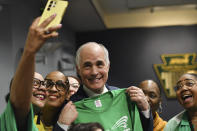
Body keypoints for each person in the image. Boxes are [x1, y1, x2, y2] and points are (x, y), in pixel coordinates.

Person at [55, 42, 153, 131]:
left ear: (108, 66)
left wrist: (145, 110)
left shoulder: (127, 99)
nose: (94, 72)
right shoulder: (67, 109)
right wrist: (62, 125)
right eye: (87, 66)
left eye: (99, 64)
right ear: (78, 69)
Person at [0, 14, 62, 131]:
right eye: (34, 83)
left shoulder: (35, 126)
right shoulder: (11, 119)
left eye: (44, 84)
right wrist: (30, 50)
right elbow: (20, 103)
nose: (43, 88)